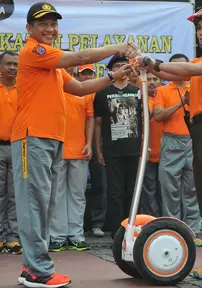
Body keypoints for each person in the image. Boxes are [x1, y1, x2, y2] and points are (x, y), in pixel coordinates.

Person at [13, 3, 132, 287]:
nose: (50, 29)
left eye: (54, 24)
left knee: (44, 204)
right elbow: (78, 56)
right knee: (34, 205)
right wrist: (118, 47)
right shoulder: (34, 51)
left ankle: (33, 267)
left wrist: (113, 77)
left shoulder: (52, 68)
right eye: (43, 24)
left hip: (52, 139)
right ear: (30, 29)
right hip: (33, 137)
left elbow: (79, 89)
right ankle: (37, 271)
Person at [125, 5, 202, 280]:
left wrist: (155, 63)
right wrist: (146, 66)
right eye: (199, 28)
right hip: (200, 130)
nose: (201, 32)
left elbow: (189, 68)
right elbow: (173, 74)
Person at [153, 53, 202, 247]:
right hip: (171, 142)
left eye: (183, 67)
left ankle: (193, 231)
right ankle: (172, 231)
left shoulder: (197, 88)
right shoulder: (162, 91)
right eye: (174, 67)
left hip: (193, 141)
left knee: (192, 189)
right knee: (170, 189)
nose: (179, 71)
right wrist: (181, 103)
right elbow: (158, 116)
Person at [49, 64, 96, 252]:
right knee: (57, 194)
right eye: (64, 66)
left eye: (70, 66)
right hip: (57, 148)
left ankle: (76, 235)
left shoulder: (81, 89)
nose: (68, 69)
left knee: (78, 194)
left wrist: (89, 143)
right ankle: (58, 236)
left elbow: (90, 118)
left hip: (79, 149)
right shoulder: (52, 88)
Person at [94, 55, 141, 239]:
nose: (122, 68)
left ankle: (133, 229)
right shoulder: (102, 92)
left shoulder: (136, 91)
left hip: (134, 149)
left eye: (125, 65)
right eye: (118, 66)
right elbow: (97, 123)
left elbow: (144, 120)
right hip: (112, 150)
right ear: (111, 70)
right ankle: (117, 232)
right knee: (115, 192)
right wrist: (98, 149)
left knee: (133, 191)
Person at [0, 51, 21, 254]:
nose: (12, 68)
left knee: (16, 194)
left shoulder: (24, 89)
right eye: (8, 64)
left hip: (18, 147)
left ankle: (13, 237)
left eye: (15, 64)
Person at [140, 72, 163, 217]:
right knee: (148, 189)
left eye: (155, 79)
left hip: (166, 151)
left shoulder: (165, 96)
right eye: (148, 79)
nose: (152, 82)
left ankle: (166, 221)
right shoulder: (139, 98)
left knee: (165, 190)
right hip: (146, 152)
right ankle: (150, 221)